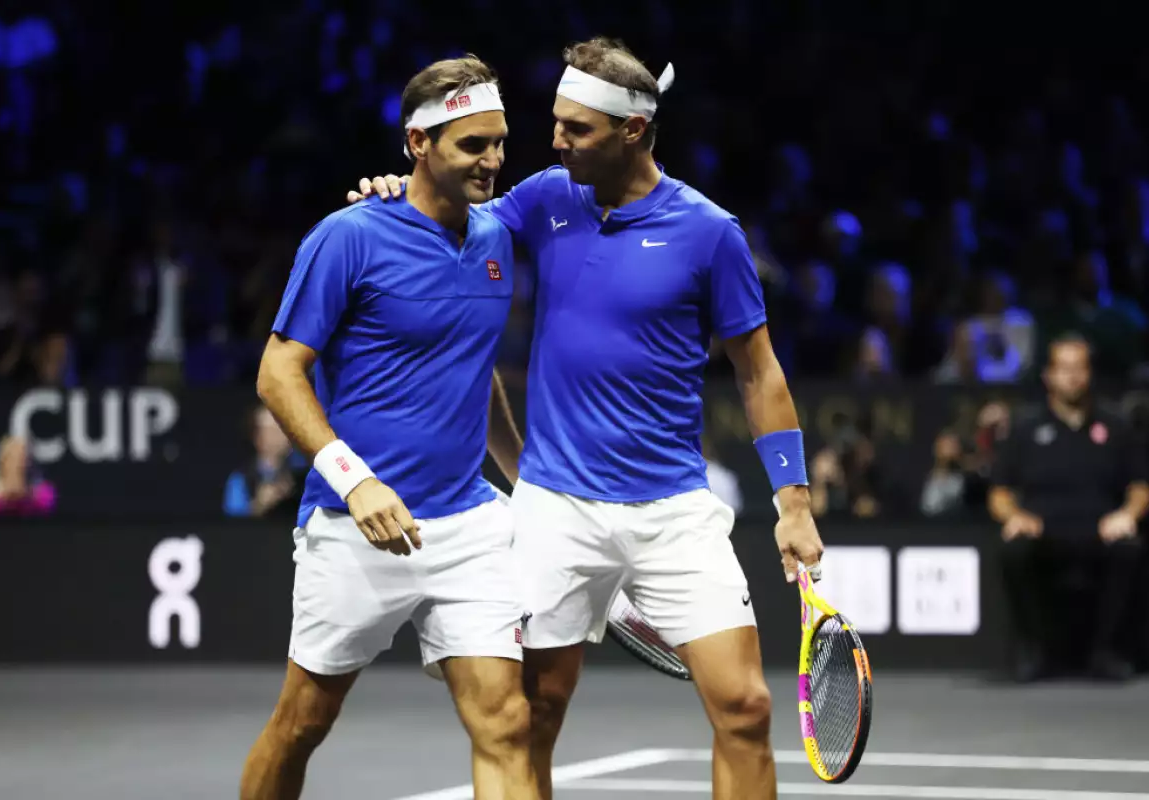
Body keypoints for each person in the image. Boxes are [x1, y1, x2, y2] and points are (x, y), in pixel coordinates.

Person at [351, 37, 824, 800]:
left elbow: (758, 370)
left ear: (632, 131)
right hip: (555, 509)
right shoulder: (545, 198)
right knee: (532, 713)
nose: (555, 141)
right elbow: (447, 221)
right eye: (556, 124)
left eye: (577, 130)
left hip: (673, 508)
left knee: (744, 706)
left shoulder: (711, 233)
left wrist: (792, 501)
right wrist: (391, 194)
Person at [240, 57, 538, 800]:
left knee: (505, 723)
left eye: (499, 143)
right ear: (418, 144)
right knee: (303, 722)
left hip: (467, 526)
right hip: (353, 523)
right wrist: (357, 479)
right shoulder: (346, 237)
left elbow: (475, 367)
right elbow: (278, 373)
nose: (493, 161)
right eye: (473, 146)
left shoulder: (496, 239)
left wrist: (527, 480)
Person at [988, 334, 1149, 683]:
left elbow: (1141, 487)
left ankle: (1106, 652)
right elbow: (999, 493)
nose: (1073, 377)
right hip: (1043, 530)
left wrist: (1128, 514)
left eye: (1079, 368)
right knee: (1013, 550)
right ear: (1048, 375)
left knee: (1129, 547)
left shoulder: (1115, 425)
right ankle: (1032, 652)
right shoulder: (1025, 428)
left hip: (1099, 529)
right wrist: (1014, 516)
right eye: (1064, 369)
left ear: (1090, 374)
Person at [223, 405, 305, 519]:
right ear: (256, 436)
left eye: (281, 428)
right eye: (269, 430)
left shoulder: (303, 473)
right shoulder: (241, 479)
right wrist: (259, 505)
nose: (277, 436)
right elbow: (231, 525)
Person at [0, 435, 57, 517]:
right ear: (3, 462)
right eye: (12, 458)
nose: (20, 463)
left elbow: (49, 505)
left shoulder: (42, 490)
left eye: (23, 457)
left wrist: (28, 495)